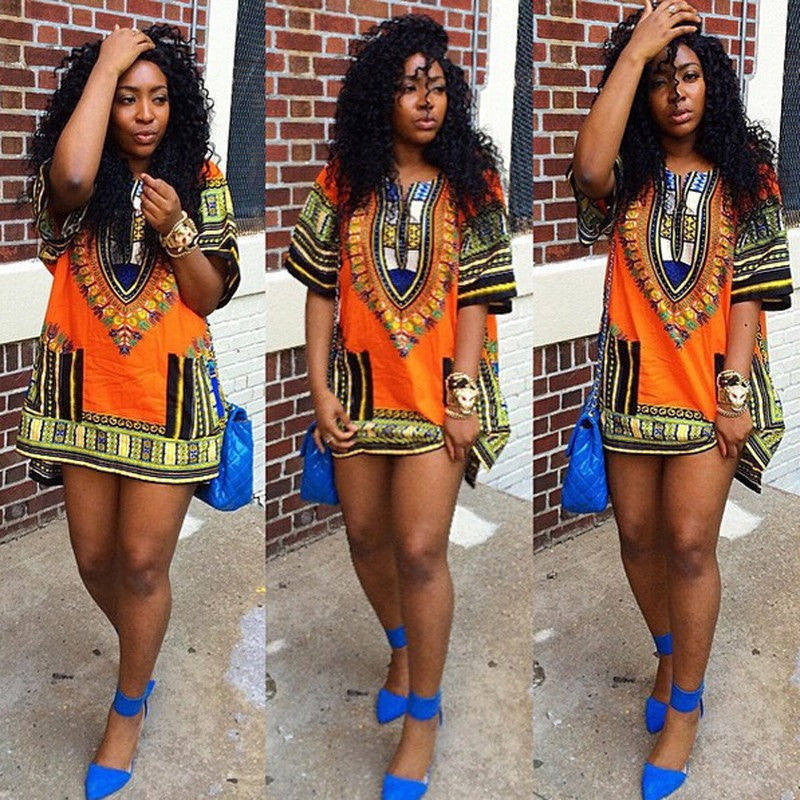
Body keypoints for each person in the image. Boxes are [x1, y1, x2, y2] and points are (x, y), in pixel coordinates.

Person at [285, 15, 516, 800]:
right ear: (378, 97)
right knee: (363, 538)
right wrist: (318, 388)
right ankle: (400, 644)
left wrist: (463, 395)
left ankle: (424, 715)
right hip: (356, 394)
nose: (426, 101)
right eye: (410, 87)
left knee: (419, 551)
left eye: (438, 87)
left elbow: (477, 299)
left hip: (433, 400)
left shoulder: (473, 185)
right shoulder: (342, 182)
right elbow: (320, 291)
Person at [570, 2, 792, 798]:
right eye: (660, 80)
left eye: (689, 76)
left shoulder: (746, 175)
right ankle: (670, 654)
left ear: (712, 85)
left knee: (691, 545)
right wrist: (635, 52)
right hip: (632, 389)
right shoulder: (628, 170)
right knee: (637, 539)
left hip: (708, 392)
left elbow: (753, 290)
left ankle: (687, 707)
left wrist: (734, 390)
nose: (676, 94)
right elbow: (587, 173)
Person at [16, 24, 239, 800]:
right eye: (125, 97)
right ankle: (144, 647)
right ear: (101, 103)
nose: (145, 114)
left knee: (142, 565)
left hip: (166, 398)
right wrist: (108, 59)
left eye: (159, 97)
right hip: (84, 398)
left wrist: (176, 228)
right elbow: (73, 181)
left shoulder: (201, 178)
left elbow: (207, 296)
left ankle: (128, 703)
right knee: (92, 559)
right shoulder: (74, 175)